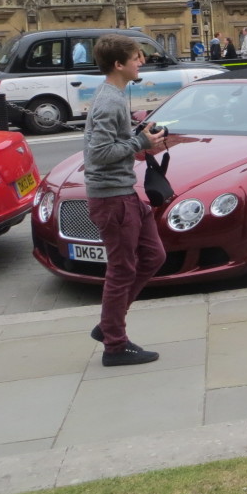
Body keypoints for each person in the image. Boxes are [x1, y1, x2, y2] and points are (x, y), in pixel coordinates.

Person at [84, 33, 169, 368]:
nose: (142, 61)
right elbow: (99, 153)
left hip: (124, 193)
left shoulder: (114, 96)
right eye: (136, 57)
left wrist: (139, 138)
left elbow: (108, 146)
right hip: (112, 198)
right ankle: (115, 345)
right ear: (118, 64)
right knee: (122, 269)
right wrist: (140, 143)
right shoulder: (110, 101)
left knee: (154, 256)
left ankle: (109, 322)